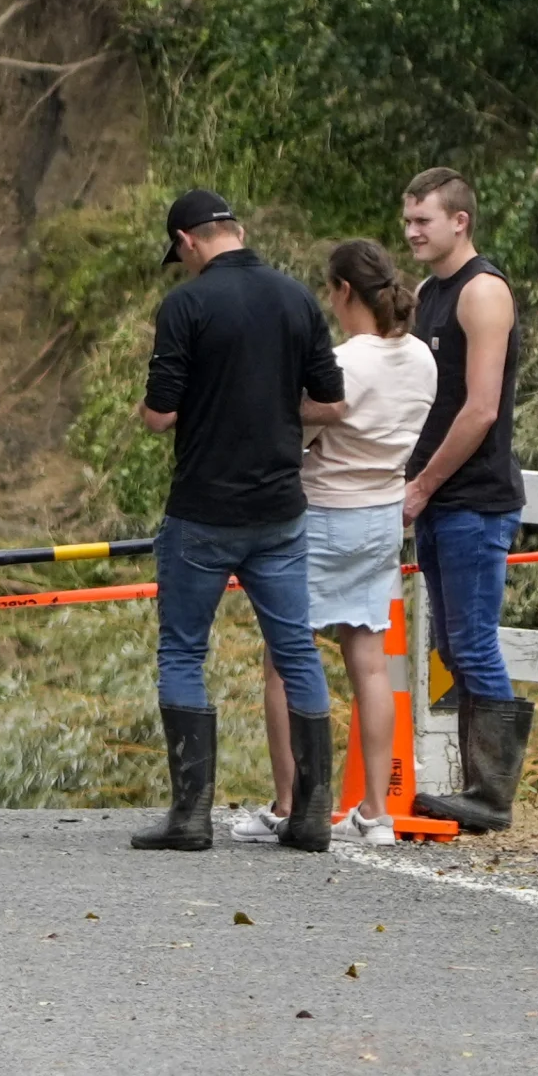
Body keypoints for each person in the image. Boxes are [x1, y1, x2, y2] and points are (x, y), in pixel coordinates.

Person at [132, 188, 345, 852]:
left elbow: (161, 414)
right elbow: (331, 404)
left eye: (181, 254)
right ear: (238, 230)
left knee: (183, 649)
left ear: (187, 241)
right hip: (280, 511)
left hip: (203, 511)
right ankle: (311, 818)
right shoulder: (297, 299)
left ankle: (190, 818)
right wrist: (274, 408)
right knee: (296, 650)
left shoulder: (186, 305)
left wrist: (200, 405)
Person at [269, 239, 436, 845]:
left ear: (343, 291)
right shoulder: (421, 358)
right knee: (369, 661)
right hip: (383, 512)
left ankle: (289, 803)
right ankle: (376, 811)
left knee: (284, 662)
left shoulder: (344, 363)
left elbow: (298, 429)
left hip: (322, 514)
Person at [398, 167, 531, 833]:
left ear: (460, 221)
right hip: (435, 496)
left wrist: (421, 485)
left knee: (472, 645)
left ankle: (492, 793)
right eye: (408, 221)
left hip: (475, 496)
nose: (412, 232)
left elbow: (480, 409)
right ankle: (477, 781)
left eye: (423, 220)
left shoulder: (483, 293)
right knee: (449, 645)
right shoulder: (427, 293)